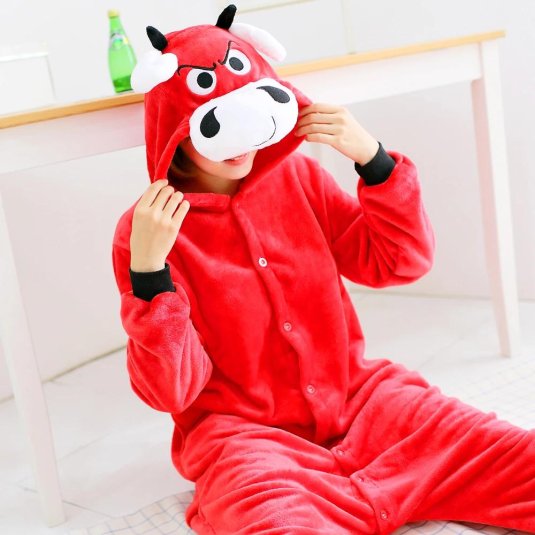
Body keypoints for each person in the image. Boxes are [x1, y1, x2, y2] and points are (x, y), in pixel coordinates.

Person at [112, 5, 535, 534]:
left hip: (364, 401)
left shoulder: (301, 178)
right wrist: (150, 276)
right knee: (271, 523)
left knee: (517, 458)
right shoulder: (147, 231)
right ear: (176, 127)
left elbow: (398, 261)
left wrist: (374, 160)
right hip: (247, 440)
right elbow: (169, 392)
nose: (241, 140)